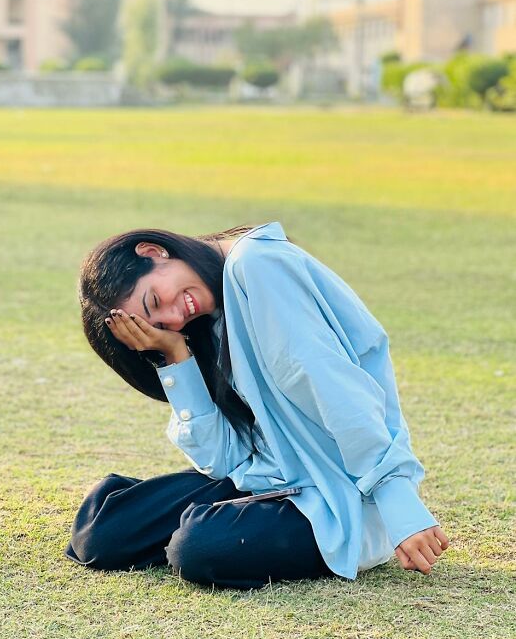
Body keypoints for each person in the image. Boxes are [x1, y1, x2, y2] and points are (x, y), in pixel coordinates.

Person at [67, 221, 449, 589]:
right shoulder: (211, 315)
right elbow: (226, 460)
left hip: (341, 498)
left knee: (199, 547)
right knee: (102, 532)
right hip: (269, 481)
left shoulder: (258, 266)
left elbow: (336, 389)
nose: (172, 318)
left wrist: (396, 498)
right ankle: (206, 520)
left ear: (154, 252)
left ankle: (208, 524)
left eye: (154, 300)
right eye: (159, 326)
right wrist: (175, 355)